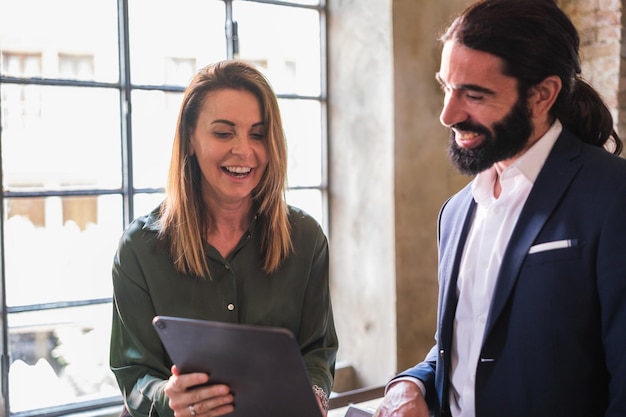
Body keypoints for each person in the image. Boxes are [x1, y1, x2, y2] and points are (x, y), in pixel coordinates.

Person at [374, 0, 626, 416]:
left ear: (542, 95)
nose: (447, 114)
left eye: (473, 94)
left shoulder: (613, 196)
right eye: (446, 86)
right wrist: (413, 383)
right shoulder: (455, 213)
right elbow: (471, 343)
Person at [109, 60, 337, 417]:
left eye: (258, 134)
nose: (244, 151)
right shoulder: (139, 248)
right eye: (223, 133)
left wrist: (314, 399)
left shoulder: (306, 239)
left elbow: (317, 352)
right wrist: (168, 397)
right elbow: (133, 374)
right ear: (189, 140)